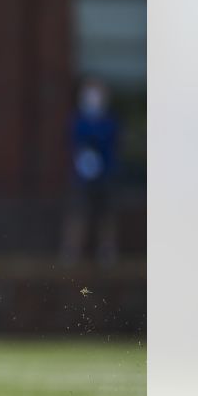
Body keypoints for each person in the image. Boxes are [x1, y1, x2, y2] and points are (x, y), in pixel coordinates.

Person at [60, 78, 121, 266]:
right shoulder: (77, 121)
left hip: (106, 175)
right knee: (78, 212)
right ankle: (72, 250)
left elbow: (111, 143)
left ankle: (107, 250)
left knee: (106, 214)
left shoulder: (110, 122)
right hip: (81, 176)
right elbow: (75, 141)